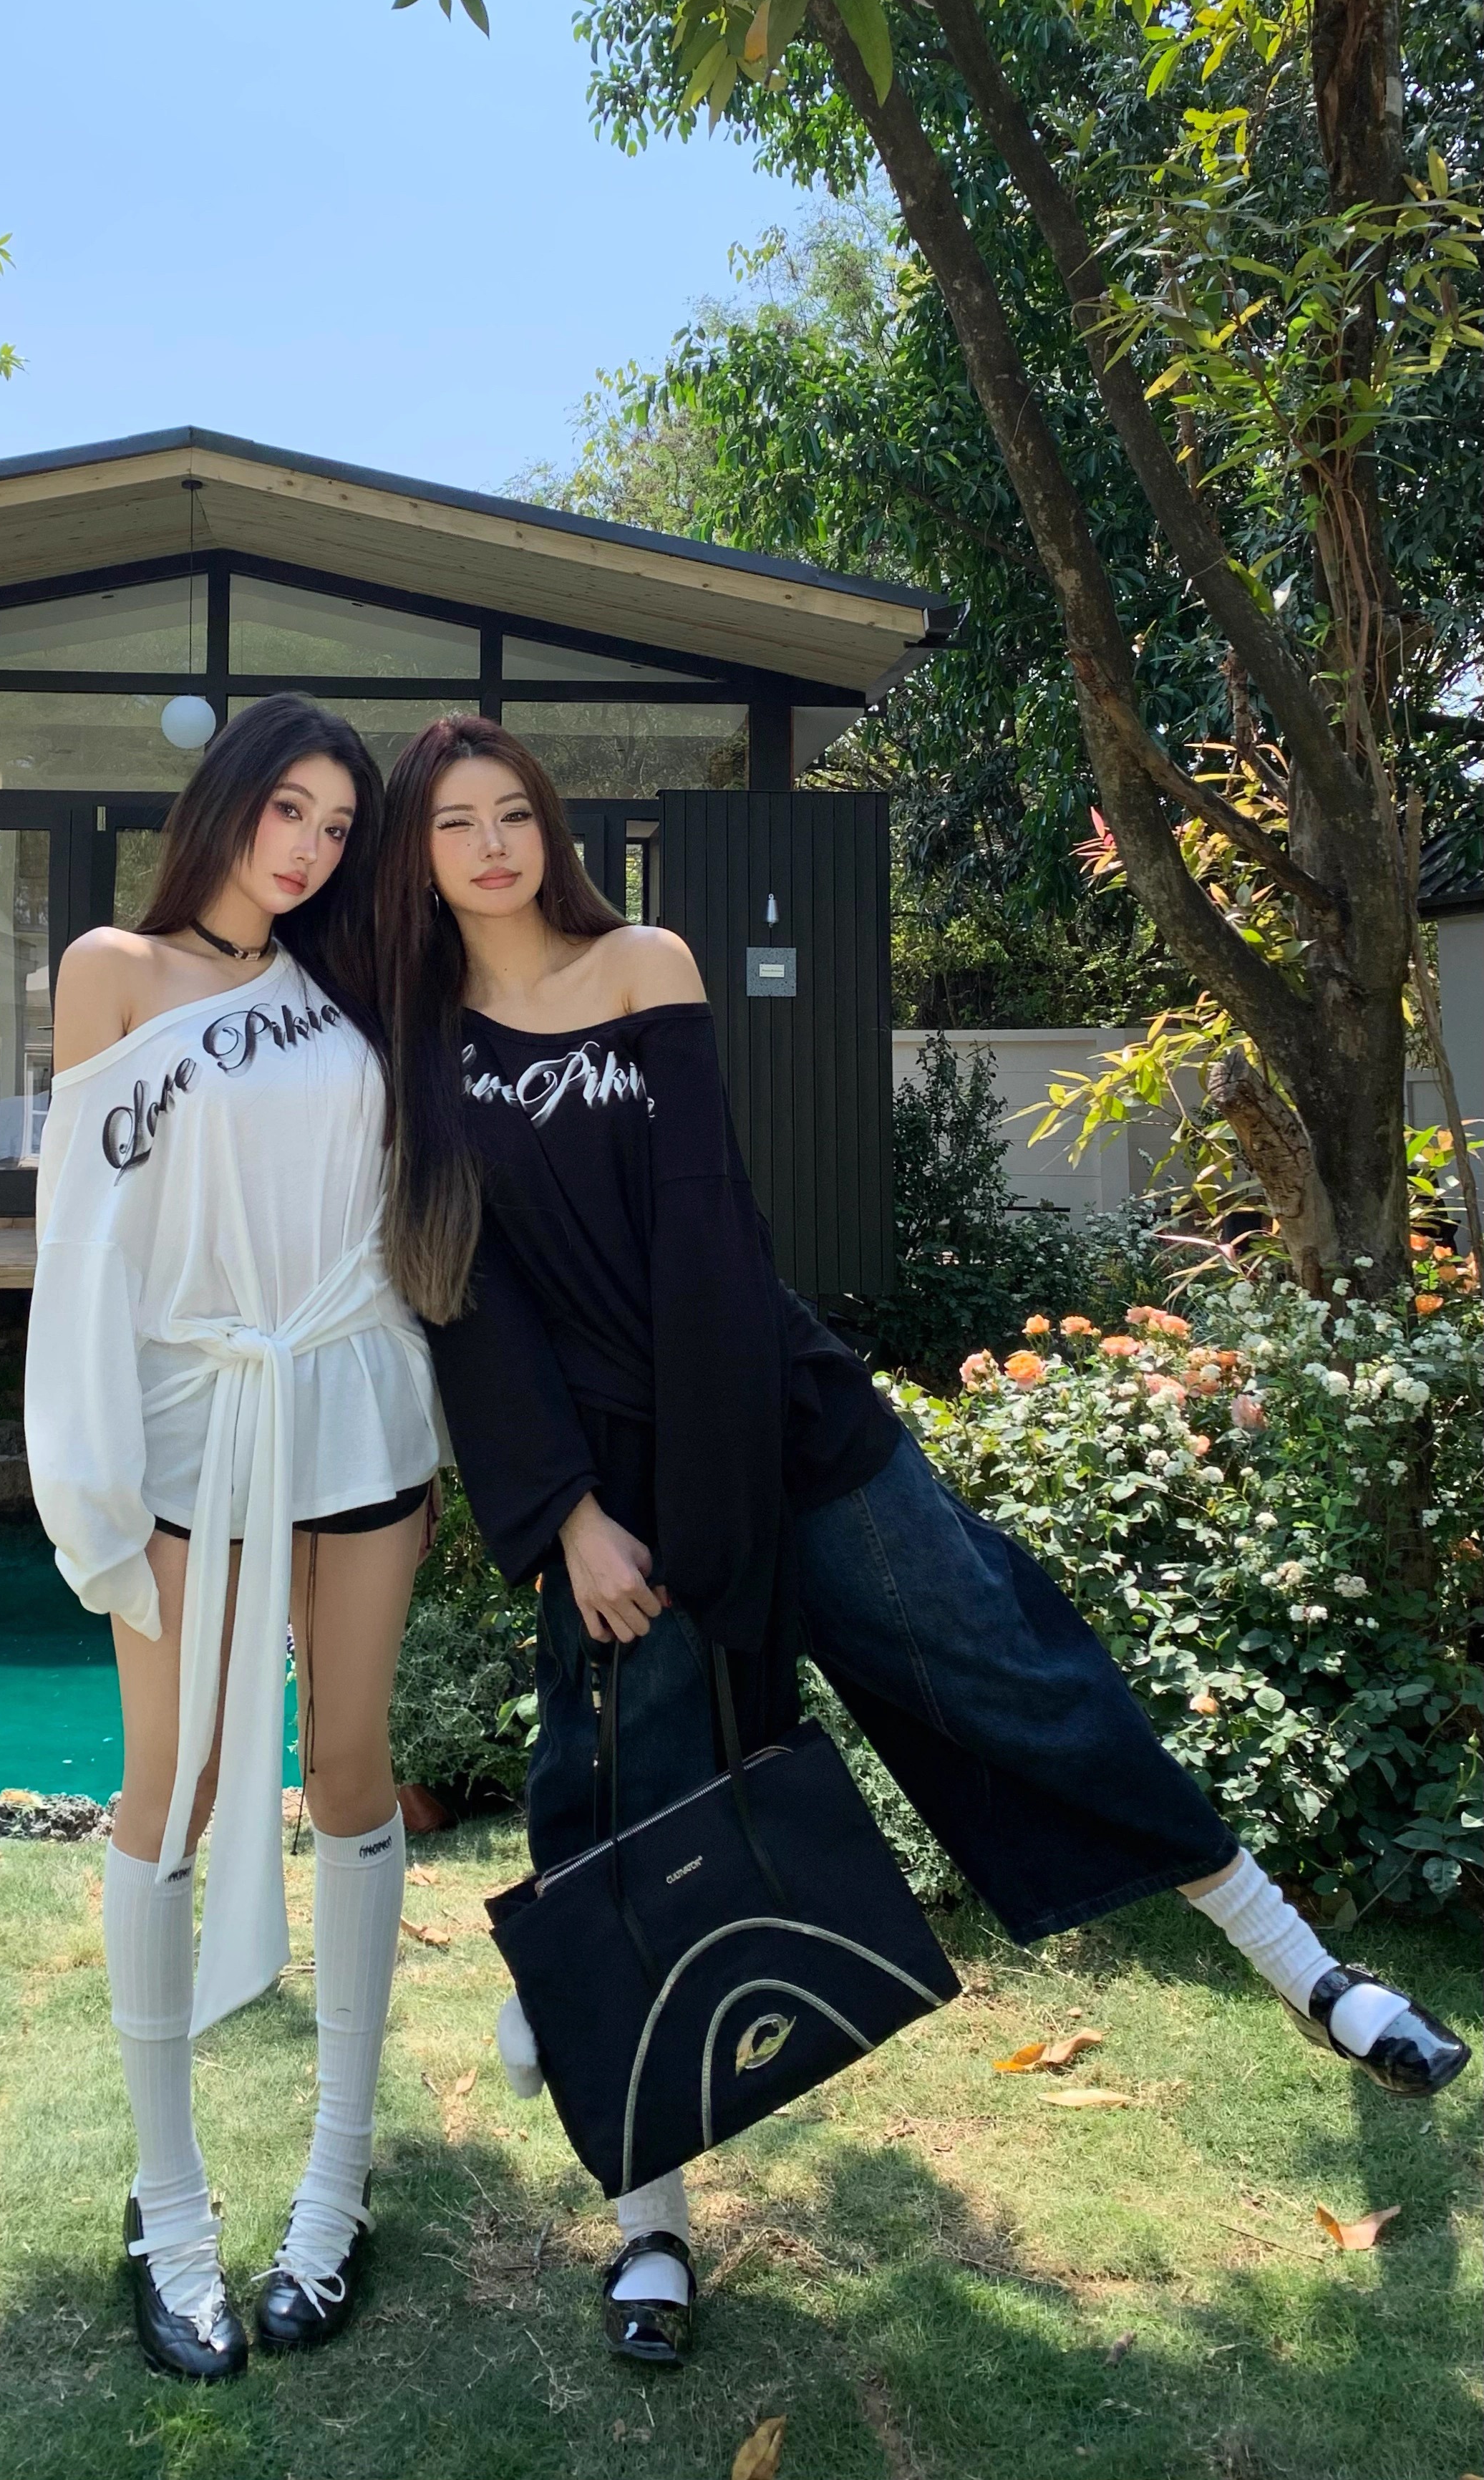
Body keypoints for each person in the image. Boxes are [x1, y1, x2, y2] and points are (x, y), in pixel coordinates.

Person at [372, 713, 1470, 2373]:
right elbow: (469, 1305)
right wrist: (571, 1519)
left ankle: (1318, 1984)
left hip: (786, 1432)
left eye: (509, 812)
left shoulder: (643, 966)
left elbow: (707, 1238)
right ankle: (652, 2226)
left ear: (548, 828)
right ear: (418, 854)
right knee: (621, 1813)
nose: (489, 846)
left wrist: (720, 1524)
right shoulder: (420, 1048)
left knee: (1017, 1676)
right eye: (453, 823)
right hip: (608, 1504)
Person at [26, 697, 443, 2383]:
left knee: (347, 1767)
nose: (310, 848)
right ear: (225, 802)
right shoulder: (112, 970)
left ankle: (335, 2187)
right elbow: (85, 1239)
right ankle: (170, 2205)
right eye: (288, 809)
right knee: (178, 1780)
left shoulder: (344, 983)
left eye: (338, 827)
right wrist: (91, 1464)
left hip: (360, 1401)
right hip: (193, 1416)